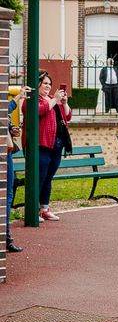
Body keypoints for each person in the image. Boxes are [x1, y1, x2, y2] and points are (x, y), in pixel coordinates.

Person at [21, 70, 72, 222]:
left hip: (56, 145)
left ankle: (45, 208)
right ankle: (32, 209)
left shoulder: (52, 99)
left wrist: (64, 103)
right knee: (39, 176)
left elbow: (68, 115)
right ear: (38, 84)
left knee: (48, 177)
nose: (49, 86)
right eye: (45, 83)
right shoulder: (32, 99)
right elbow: (40, 110)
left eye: (50, 84)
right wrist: (54, 99)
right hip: (40, 144)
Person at [6, 86, 28, 251]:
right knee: (7, 196)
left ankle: (6, 236)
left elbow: (7, 108)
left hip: (8, 155)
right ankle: (5, 237)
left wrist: (10, 130)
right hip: (5, 155)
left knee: (8, 194)